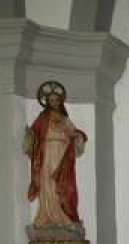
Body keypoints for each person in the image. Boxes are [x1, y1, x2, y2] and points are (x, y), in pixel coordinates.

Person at [25, 84, 88, 231]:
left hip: (62, 155)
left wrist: (78, 136)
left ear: (60, 102)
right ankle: (47, 216)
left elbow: (73, 133)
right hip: (47, 154)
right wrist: (30, 137)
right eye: (51, 100)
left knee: (64, 184)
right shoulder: (43, 118)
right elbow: (34, 135)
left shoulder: (65, 119)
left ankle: (62, 216)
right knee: (48, 184)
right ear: (47, 102)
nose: (54, 103)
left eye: (56, 100)